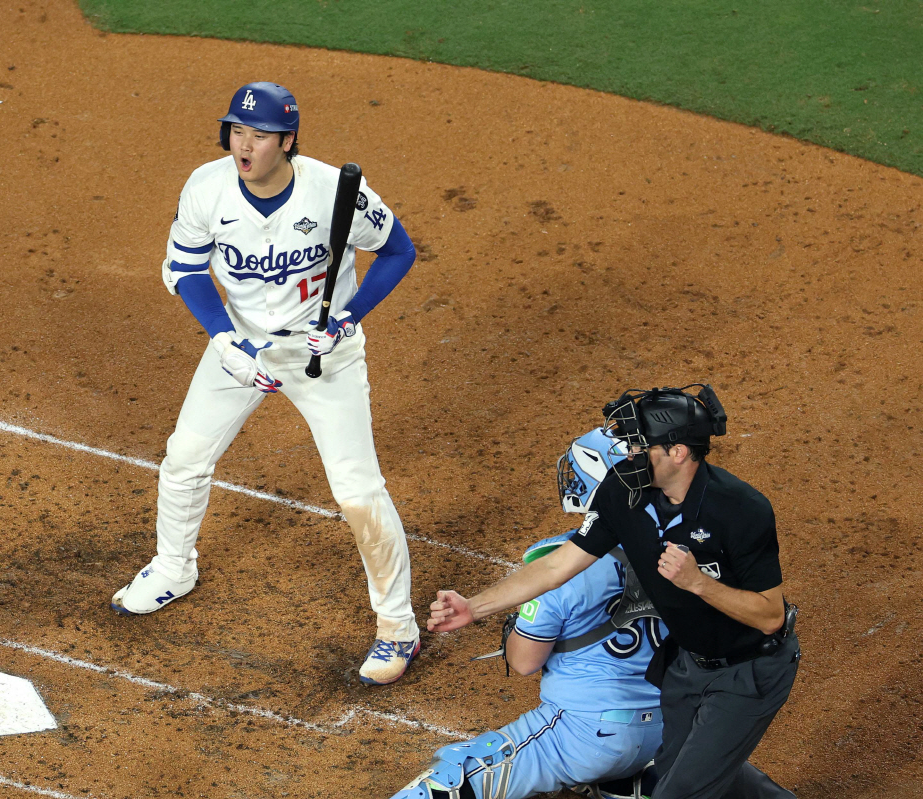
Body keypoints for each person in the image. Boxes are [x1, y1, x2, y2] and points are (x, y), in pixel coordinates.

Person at [110, 81, 421, 685]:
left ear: (288, 141)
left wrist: (347, 319)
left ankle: (397, 629)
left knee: (358, 491)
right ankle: (174, 568)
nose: (244, 145)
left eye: (259, 135)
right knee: (184, 460)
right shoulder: (207, 187)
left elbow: (399, 251)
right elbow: (185, 267)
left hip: (322, 355)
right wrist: (224, 339)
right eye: (237, 131)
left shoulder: (334, 192)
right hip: (241, 349)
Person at [429, 386, 801, 799]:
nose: (629, 455)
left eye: (640, 446)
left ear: (677, 452)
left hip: (748, 669)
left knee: (682, 790)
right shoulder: (621, 493)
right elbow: (556, 567)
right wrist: (473, 607)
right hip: (688, 666)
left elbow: (770, 616)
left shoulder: (741, 509)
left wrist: (699, 583)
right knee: (686, 772)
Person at [391, 429, 666, 799]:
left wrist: (519, 626)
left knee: (451, 778)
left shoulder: (555, 565)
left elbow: (525, 662)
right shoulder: (683, 544)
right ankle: (633, 784)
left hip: (586, 736)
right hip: (668, 729)